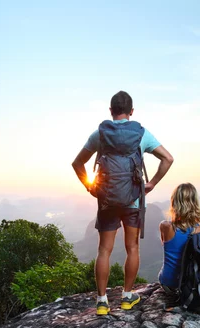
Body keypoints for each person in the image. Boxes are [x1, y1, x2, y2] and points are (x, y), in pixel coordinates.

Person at [72, 91, 174, 315]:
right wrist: (153, 183)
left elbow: (77, 162)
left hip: (107, 200)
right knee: (133, 247)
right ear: (132, 112)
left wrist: (90, 187)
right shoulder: (141, 134)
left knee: (104, 250)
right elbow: (168, 158)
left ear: (110, 111)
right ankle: (127, 297)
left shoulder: (100, 134)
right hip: (134, 201)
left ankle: (101, 302)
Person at [158, 183, 200, 294]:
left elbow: (165, 244)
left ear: (174, 201)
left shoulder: (166, 226)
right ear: (195, 202)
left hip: (169, 284)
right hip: (192, 285)